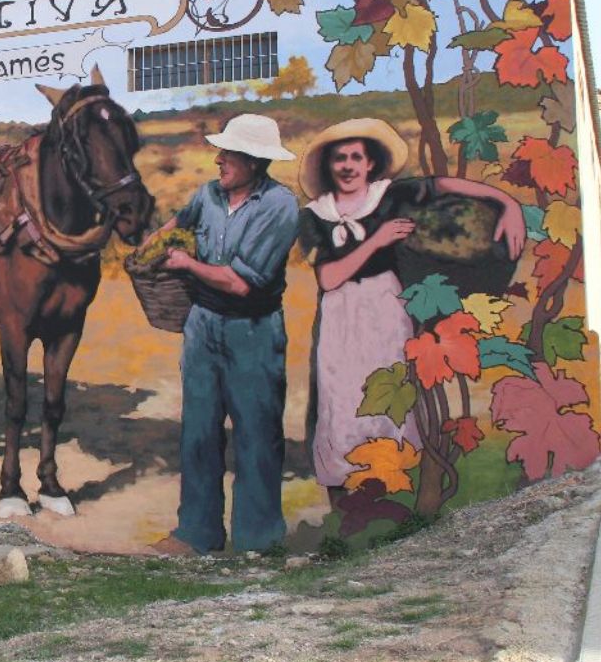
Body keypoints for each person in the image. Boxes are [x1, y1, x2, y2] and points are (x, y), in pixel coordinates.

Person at [297, 119, 525, 503]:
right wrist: (378, 239)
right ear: (329, 166)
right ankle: (348, 497)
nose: (348, 165)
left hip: (387, 307)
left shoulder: (390, 196)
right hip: (341, 317)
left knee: (392, 393)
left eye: (357, 157)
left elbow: (445, 185)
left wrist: (507, 202)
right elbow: (329, 277)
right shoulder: (314, 216)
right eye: (340, 158)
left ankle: (394, 487)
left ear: (371, 164)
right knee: (341, 398)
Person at [150, 114, 299, 555]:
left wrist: (186, 264)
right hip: (202, 325)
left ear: (254, 162)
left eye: (228, 154)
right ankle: (196, 535)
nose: (219, 160)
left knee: (256, 433)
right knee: (198, 430)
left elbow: (241, 283)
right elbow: (176, 223)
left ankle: (258, 541)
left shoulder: (280, 206)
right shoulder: (208, 195)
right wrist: (153, 247)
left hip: (251, 329)